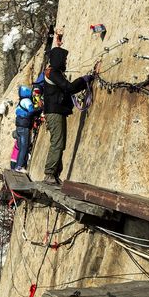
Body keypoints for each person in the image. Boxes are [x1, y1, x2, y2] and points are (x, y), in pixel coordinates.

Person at [40, 29, 93, 185]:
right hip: (54, 112)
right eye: (64, 59)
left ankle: (55, 174)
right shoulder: (53, 73)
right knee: (57, 143)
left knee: (60, 143)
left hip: (57, 111)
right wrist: (83, 80)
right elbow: (68, 87)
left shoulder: (54, 72)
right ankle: (49, 174)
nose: (65, 62)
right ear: (57, 59)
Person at [12, 85, 37, 172]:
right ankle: (19, 167)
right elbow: (31, 111)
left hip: (19, 126)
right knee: (24, 147)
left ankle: (17, 166)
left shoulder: (21, 102)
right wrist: (40, 109)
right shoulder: (27, 101)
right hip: (24, 127)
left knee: (21, 148)